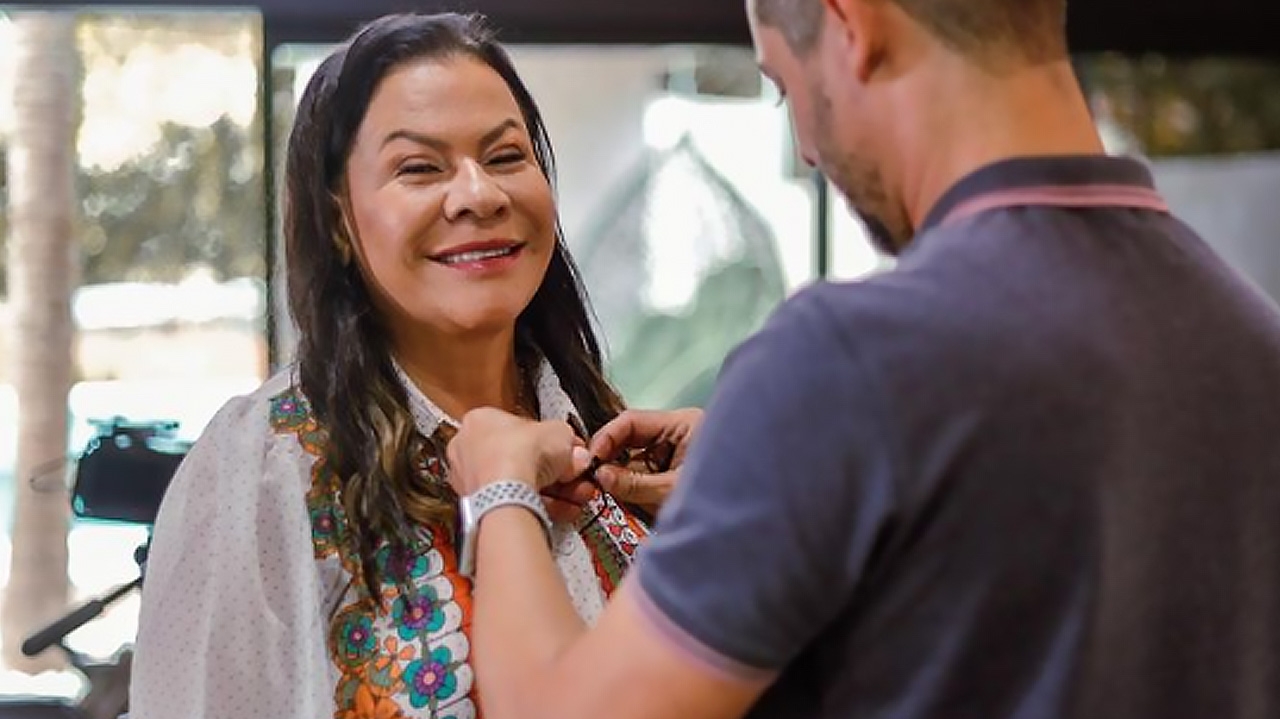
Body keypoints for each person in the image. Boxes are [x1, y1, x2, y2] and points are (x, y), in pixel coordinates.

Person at [443, 0, 1280, 717]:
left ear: (852, 23)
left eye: (783, 86)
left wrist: (498, 480)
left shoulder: (848, 362)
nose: (807, 145)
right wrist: (777, 473)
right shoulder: (1251, 339)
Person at [128, 12, 666, 719]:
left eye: (506, 156)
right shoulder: (263, 468)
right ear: (338, 221)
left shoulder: (615, 452)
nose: (480, 193)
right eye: (419, 167)